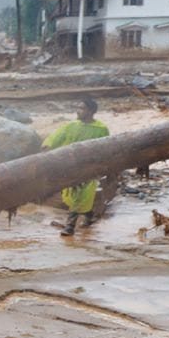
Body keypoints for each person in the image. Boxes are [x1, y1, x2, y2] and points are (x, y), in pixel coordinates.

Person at [43, 98, 110, 236]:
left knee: (81, 194)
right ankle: (88, 214)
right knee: (71, 196)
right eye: (78, 107)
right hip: (71, 166)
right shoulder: (71, 126)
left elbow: (106, 148)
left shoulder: (101, 129)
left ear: (91, 111)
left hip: (89, 168)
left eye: (82, 108)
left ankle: (70, 226)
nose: (78, 111)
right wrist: (47, 146)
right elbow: (57, 137)